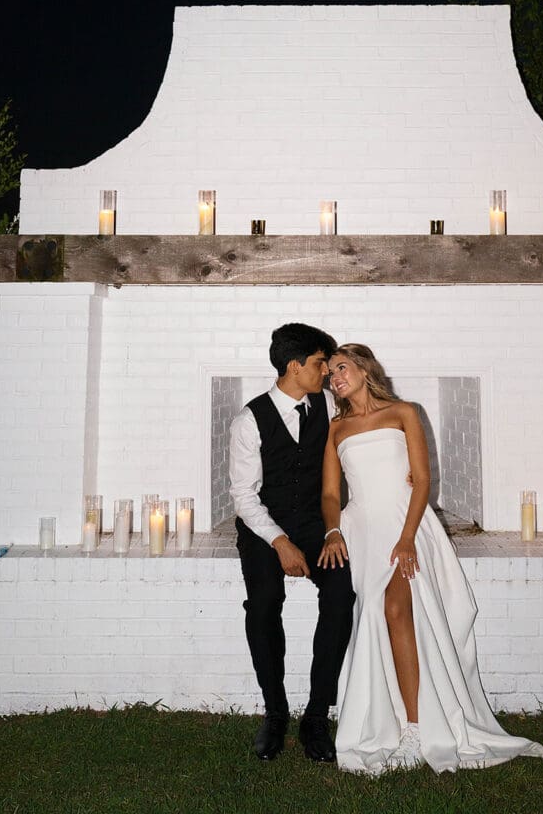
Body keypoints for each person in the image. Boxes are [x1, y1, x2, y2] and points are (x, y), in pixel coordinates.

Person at [319, 343, 543, 775]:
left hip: (407, 527)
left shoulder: (405, 412)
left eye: (341, 368)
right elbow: (331, 493)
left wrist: (406, 540)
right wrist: (333, 530)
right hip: (363, 532)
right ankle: (388, 722)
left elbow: (421, 481)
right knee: (377, 619)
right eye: (330, 373)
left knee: (395, 609)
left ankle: (416, 729)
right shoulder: (336, 429)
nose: (335, 378)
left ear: (365, 370)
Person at [229, 323, 355, 762]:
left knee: (341, 596)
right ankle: (276, 712)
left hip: (317, 524)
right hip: (265, 525)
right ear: (294, 365)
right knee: (263, 603)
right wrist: (280, 542)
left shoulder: (327, 404)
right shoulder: (249, 419)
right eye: (320, 363)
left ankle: (316, 717)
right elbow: (244, 498)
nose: (326, 372)